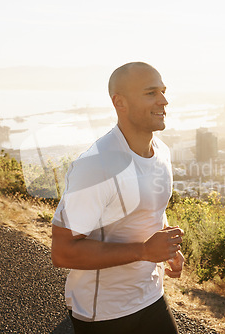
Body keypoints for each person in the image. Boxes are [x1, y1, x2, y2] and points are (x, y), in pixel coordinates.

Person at [51, 62, 184, 334]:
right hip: (104, 313)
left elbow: (151, 211)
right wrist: (145, 251)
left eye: (163, 91)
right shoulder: (96, 166)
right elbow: (63, 251)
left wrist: (167, 248)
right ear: (119, 102)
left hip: (151, 295)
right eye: (151, 93)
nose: (164, 100)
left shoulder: (162, 153)